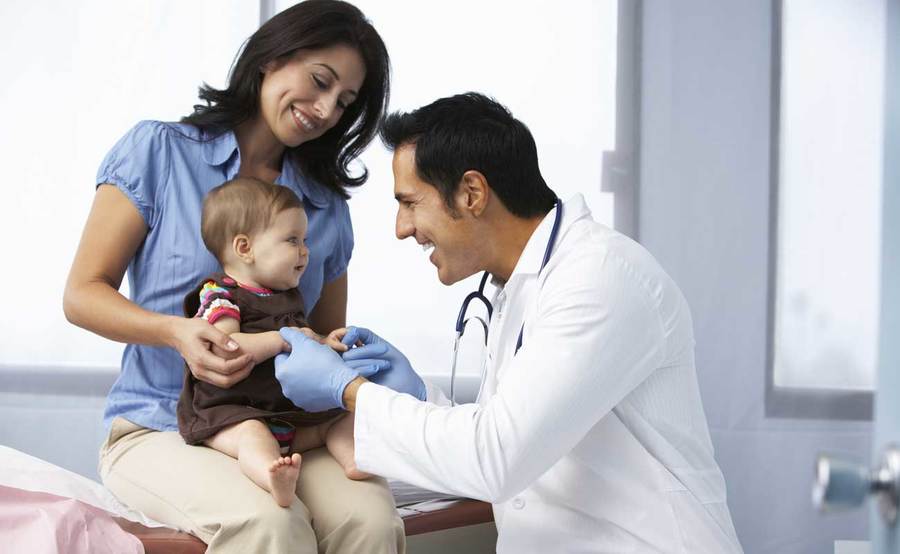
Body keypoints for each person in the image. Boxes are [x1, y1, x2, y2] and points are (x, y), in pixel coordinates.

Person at [273, 93, 745, 553]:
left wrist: (349, 389)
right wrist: (415, 394)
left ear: (472, 192)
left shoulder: (600, 278)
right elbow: (503, 430)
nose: (401, 227)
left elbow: (495, 457)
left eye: (410, 202)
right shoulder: (517, 286)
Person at [63, 1, 404, 552]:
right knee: (271, 523)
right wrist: (174, 332)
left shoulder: (325, 207)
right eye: (319, 81)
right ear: (271, 58)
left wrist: (344, 352)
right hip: (159, 425)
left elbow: (319, 346)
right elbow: (82, 295)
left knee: (372, 521)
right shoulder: (158, 152)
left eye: (343, 102)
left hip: (287, 429)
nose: (323, 109)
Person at [177, 177, 380, 509]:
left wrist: (325, 342)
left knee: (342, 417)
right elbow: (225, 344)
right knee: (252, 438)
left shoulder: (287, 298)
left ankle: (353, 459)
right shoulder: (220, 295)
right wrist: (281, 339)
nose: (305, 251)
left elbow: (301, 341)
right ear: (245, 248)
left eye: (305, 240)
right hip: (232, 412)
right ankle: (272, 477)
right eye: (292, 240)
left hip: (289, 415)